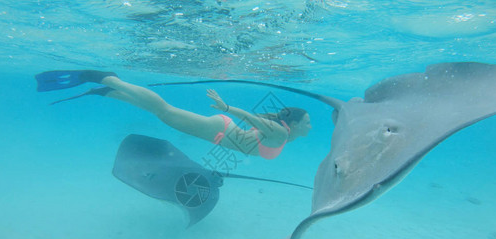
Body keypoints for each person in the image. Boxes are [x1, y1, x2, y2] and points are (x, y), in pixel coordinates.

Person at [35, 70, 312, 159]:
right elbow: (253, 120)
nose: (311, 126)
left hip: (220, 131)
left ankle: (106, 92)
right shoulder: (281, 133)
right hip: (218, 131)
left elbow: (265, 123)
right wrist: (228, 108)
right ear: (295, 124)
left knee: (161, 113)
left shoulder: (286, 132)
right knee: (164, 110)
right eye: (308, 122)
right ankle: (108, 79)